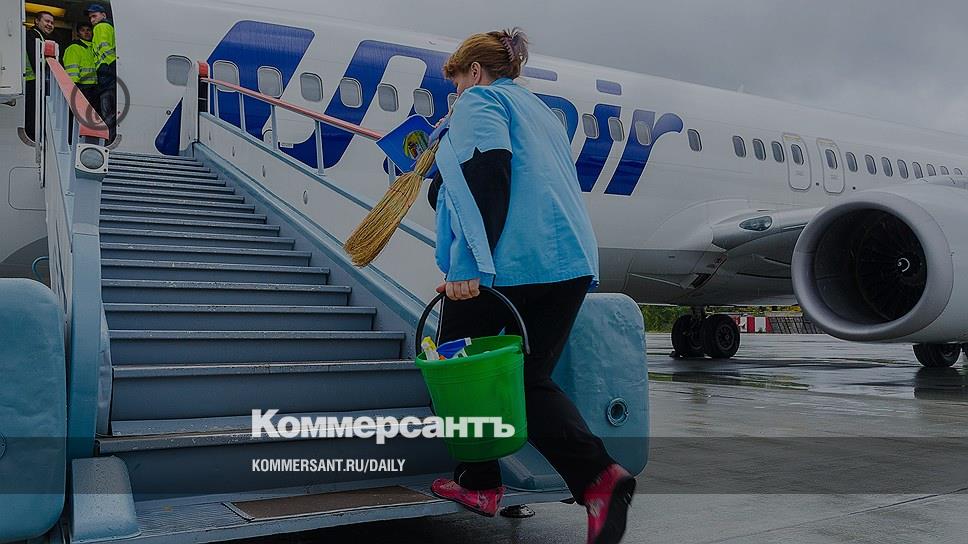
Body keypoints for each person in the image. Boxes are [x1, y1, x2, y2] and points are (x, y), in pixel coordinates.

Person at [427, 28, 635, 544]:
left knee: (454, 362)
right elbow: (513, 177)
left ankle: (479, 482)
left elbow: (488, 177)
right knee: (527, 377)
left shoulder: (479, 101)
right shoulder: (541, 112)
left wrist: (467, 266)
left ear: (475, 72)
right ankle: (599, 478)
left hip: (515, 262)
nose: (456, 93)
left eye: (457, 82)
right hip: (569, 260)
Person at [24, 11, 55, 141]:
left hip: (34, 81)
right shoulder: (33, 35)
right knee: (33, 115)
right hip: (31, 81)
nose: (50, 25)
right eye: (47, 21)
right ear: (37, 21)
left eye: (52, 23)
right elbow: (35, 60)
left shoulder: (39, 36)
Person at [87, 4, 116, 143]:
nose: (92, 20)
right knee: (110, 110)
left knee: (107, 111)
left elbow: (105, 49)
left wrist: (111, 66)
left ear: (103, 15)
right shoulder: (107, 27)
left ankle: (107, 141)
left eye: (94, 16)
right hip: (108, 71)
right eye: (90, 17)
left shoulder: (100, 27)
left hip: (107, 71)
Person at [63, 22, 99, 134]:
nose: (86, 32)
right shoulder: (74, 48)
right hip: (80, 88)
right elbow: (72, 71)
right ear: (78, 33)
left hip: (94, 88)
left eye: (88, 30)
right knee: (78, 119)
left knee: (89, 119)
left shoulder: (93, 48)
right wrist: (75, 90)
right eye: (83, 30)